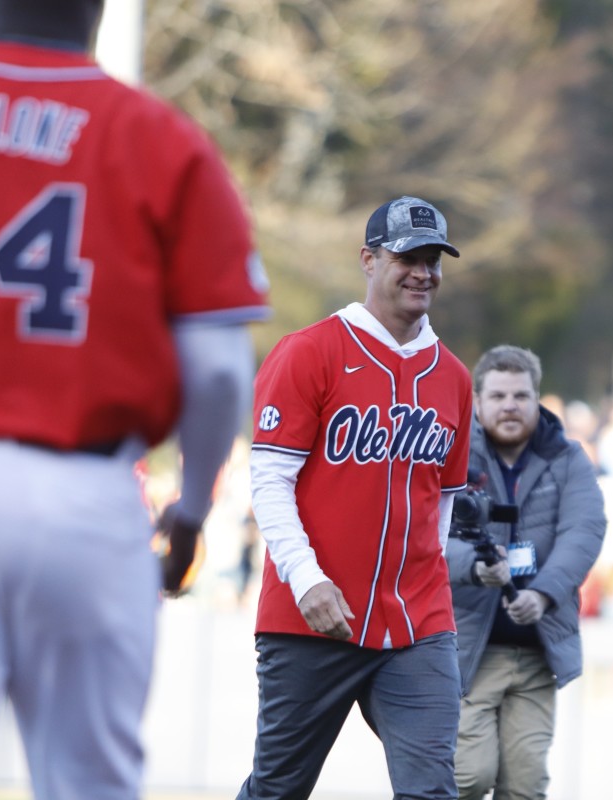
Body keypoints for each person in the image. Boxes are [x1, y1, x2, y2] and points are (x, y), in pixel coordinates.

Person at [0, 1, 270, 797]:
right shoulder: (158, 137)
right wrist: (190, 512)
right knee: (87, 781)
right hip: (75, 485)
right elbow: (219, 367)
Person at [239, 196, 473, 800]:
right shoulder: (310, 351)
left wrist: (433, 589)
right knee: (278, 790)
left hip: (417, 624)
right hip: (313, 617)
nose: (422, 271)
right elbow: (268, 480)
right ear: (368, 260)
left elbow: (442, 504)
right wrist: (305, 577)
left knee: (431, 791)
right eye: (407, 257)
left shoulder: (453, 377)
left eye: (433, 259)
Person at [446, 345, 606, 800]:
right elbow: (425, 535)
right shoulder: (452, 454)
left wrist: (544, 593)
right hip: (466, 651)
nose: (510, 405)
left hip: (537, 652)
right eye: (497, 396)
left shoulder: (569, 458)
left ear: (537, 399)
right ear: (477, 401)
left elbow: (585, 530)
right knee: (467, 777)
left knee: (526, 785)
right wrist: (476, 567)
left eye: (520, 395)